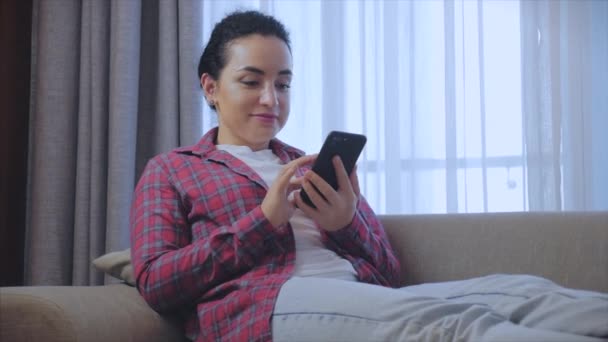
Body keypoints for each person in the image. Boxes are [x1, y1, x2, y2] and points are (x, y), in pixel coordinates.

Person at [130, 10, 608, 342]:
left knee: (526, 291)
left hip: (357, 297)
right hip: (266, 309)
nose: (271, 100)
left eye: (283, 83)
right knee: (451, 326)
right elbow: (155, 281)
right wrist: (264, 220)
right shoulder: (172, 170)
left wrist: (347, 222)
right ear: (211, 87)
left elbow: (389, 274)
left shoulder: (305, 161)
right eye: (252, 81)